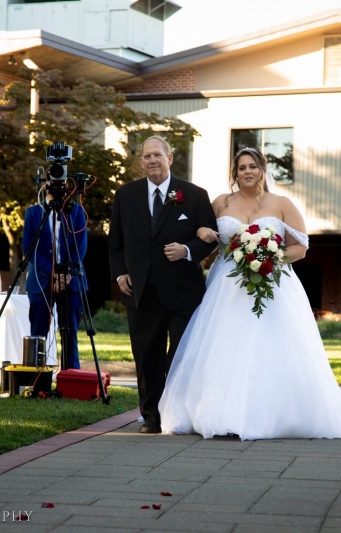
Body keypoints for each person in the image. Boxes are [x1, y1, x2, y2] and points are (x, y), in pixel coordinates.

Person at [159, 148, 341, 440]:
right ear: (234, 173)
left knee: (269, 346)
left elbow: (300, 246)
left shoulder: (282, 203)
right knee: (224, 345)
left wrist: (268, 258)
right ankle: (219, 413)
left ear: (263, 170)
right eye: (241, 168)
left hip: (274, 284)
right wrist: (202, 232)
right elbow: (209, 240)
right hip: (226, 286)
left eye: (253, 166)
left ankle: (272, 413)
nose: (247, 172)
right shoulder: (220, 204)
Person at [108, 135, 217, 433]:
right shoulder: (125, 195)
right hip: (140, 292)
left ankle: (179, 414)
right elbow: (115, 243)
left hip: (184, 293)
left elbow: (209, 237)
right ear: (141, 162)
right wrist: (120, 275)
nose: (152, 160)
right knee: (146, 357)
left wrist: (187, 251)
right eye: (147, 156)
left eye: (158, 155)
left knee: (182, 354)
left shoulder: (194, 195)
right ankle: (152, 417)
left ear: (170, 158)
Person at [23, 193, 88, 369]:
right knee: (38, 332)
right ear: (45, 183)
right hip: (41, 280)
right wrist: (52, 272)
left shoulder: (77, 211)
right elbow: (28, 248)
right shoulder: (33, 212)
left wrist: (65, 272)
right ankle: (36, 377)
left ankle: (70, 375)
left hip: (71, 279)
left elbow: (80, 246)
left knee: (70, 332)